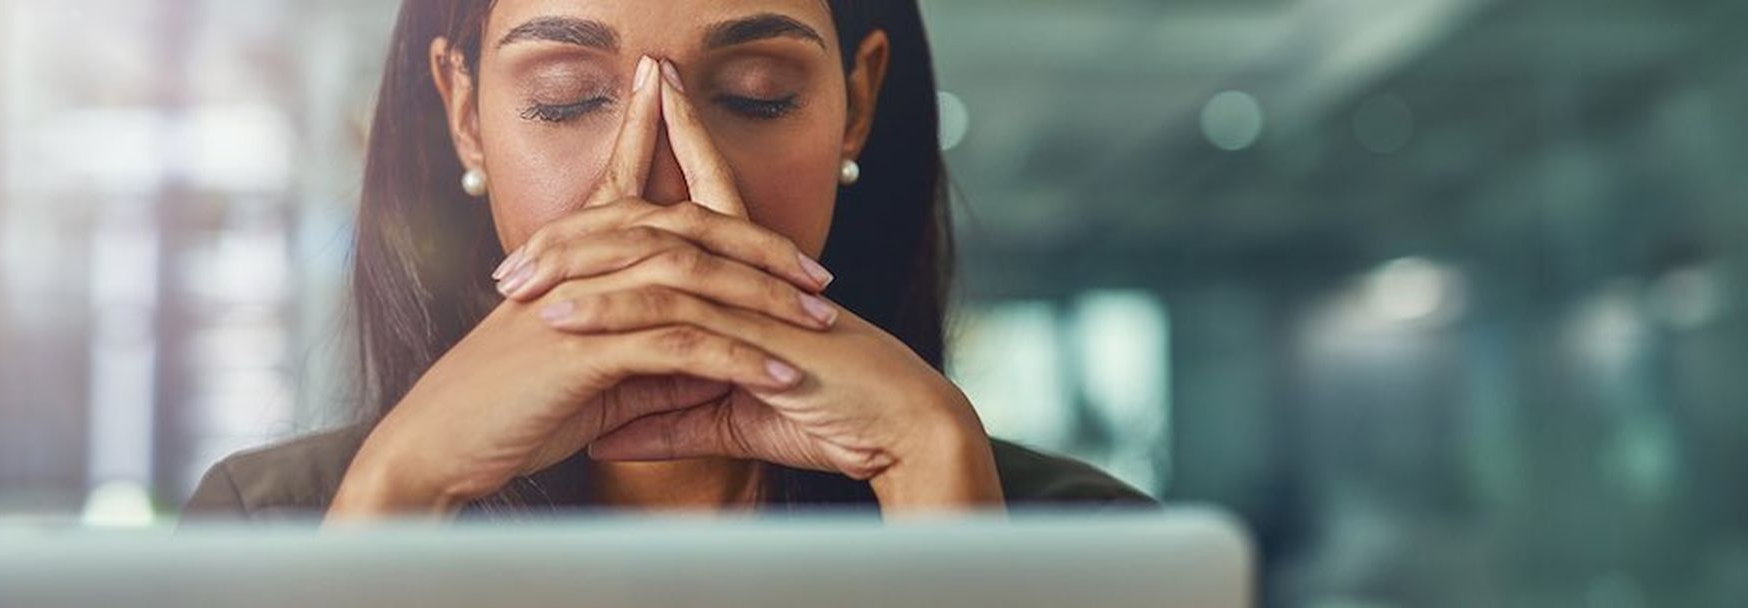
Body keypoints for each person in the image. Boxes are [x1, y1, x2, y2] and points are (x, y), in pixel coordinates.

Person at [183, 0, 1148, 522]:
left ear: (856, 103)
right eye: (564, 98)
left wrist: (935, 470)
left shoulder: (1090, 540)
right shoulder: (280, 519)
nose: (661, 181)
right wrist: (398, 494)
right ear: (465, 116)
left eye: (760, 94)